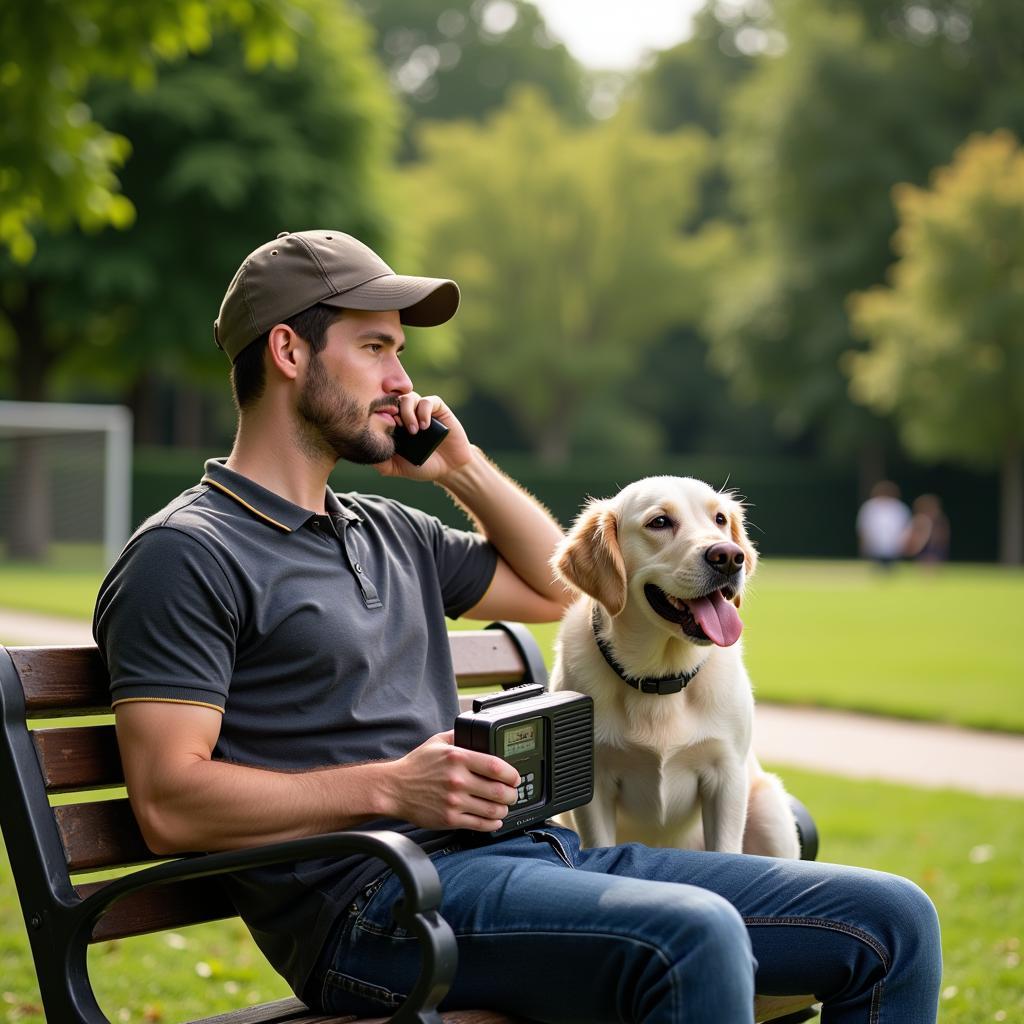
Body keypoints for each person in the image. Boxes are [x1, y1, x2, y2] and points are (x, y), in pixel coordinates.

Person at [94, 230, 942, 1023]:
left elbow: (561, 586)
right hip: (377, 907)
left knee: (895, 919)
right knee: (696, 933)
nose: (401, 379)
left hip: (525, 860)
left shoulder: (389, 530)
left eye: (400, 352)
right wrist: (393, 787)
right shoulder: (187, 554)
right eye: (376, 348)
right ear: (288, 351)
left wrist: (460, 465)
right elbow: (171, 803)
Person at [856, 480, 911, 569]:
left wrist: (904, 544)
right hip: (875, 546)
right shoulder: (870, 507)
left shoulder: (899, 508)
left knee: (892, 571)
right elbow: (864, 528)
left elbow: (906, 528)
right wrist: (864, 544)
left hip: (894, 547)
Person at [905, 493, 950, 565]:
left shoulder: (939, 520)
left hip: (935, 547)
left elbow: (943, 535)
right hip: (923, 547)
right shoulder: (919, 519)